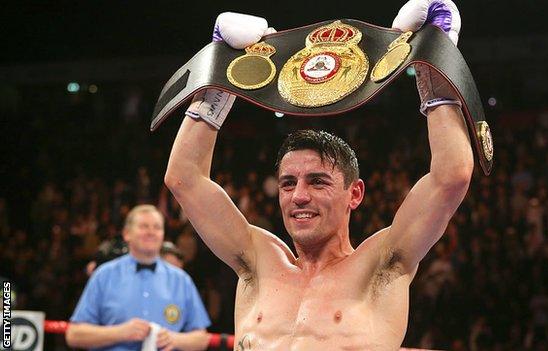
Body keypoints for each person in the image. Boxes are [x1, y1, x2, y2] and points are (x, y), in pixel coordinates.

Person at [164, 0, 472, 349]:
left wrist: (437, 55)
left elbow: (451, 177)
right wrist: (219, 76)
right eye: (288, 183)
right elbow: (183, 179)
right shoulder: (257, 260)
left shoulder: (382, 263)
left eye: (318, 181)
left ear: (354, 194)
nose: (299, 196)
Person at [66, 205, 210, 351]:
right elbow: (74, 335)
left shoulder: (181, 280)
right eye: (144, 226)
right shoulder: (104, 275)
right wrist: (118, 333)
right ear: (127, 233)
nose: (151, 232)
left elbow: (201, 339)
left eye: (157, 227)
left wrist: (175, 339)